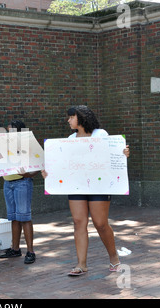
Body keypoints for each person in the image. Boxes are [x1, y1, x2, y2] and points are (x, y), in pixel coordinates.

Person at [43, 105, 130, 276]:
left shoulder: (101, 134)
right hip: (76, 185)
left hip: (99, 185)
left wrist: (123, 153)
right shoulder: (70, 138)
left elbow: (112, 155)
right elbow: (63, 164)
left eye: (71, 117)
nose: (68, 120)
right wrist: (49, 174)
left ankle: (114, 259)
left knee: (100, 223)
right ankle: (81, 264)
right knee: (78, 222)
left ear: (81, 118)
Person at [0, 120, 39, 264]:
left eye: (11, 131)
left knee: (24, 216)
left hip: (22, 183)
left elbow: (39, 161)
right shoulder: (5, 146)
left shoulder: (27, 145)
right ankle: (15, 249)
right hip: (7, 183)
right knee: (14, 217)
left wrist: (30, 175)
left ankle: (30, 251)